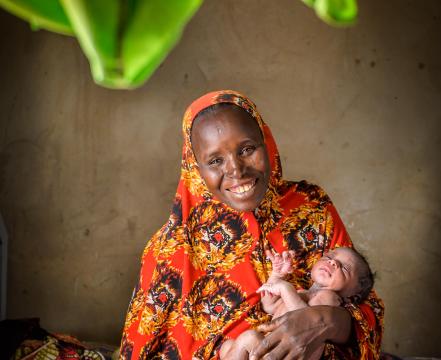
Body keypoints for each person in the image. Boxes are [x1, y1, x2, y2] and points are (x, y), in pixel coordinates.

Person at [119, 90, 384, 360]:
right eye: (215, 161)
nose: (236, 170)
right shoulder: (170, 251)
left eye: (247, 149)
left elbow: (366, 307)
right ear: (195, 169)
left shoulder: (312, 207)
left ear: (266, 143)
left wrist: (323, 319)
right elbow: (139, 352)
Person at [219, 247, 374, 359]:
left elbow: (305, 321)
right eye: (329, 257)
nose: (333, 263)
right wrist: (276, 276)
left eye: (345, 268)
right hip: (272, 350)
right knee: (227, 347)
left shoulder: (330, 298)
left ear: (353, 295)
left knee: (249, 338)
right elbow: (269, 306)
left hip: (290, 354)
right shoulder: (302, 293)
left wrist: (286, 289)